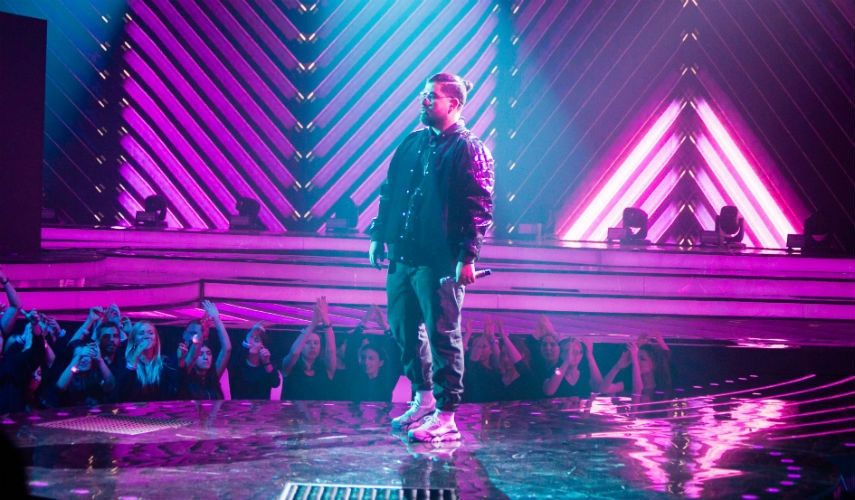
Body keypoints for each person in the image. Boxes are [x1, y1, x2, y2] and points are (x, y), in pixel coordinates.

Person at [368, 72, 495, 442]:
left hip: (438, 261)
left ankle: (446, 414)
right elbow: (390, 190)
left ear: (452, 104)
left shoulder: (469, 148)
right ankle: (423, 400)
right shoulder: (413, 142)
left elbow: (478, 207)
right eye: (423, 95)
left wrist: (467, 257)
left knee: (443, 335)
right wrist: (379, 235)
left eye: (431, 96)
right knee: (403, 329)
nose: (423, 101)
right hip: (404, 255)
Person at [279, 296, 337, 400]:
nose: (313, 346)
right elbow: (294, 353)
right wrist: (313, 324)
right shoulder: (290, 367)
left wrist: (325, 318)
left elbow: (331, 351)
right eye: (308, 342)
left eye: (316, 343)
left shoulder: (325, 369)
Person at [178, 301, 232, 400]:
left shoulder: (213, 375)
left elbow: (227, 349)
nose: (205, 357)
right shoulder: (185, 371)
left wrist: (216, 319)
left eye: (208, 353)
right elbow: (192, 354)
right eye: (200, 354)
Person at [116, 321, 178, 402]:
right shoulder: (123, 363)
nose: (146, 336)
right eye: (141, 333)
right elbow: (121, 394)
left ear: (156, 340)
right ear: (134, 339)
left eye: (150, 333)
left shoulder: (164, 365)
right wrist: (133, 361)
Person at [230, 323, 280, 400]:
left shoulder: (268, 364)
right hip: (241, 406)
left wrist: (266, 362)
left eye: (256, 340)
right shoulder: (238, 363)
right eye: (249, 339)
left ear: (262, 346)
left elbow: (275, 383)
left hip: (262, 406)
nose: (251, 343)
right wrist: (251, 332)